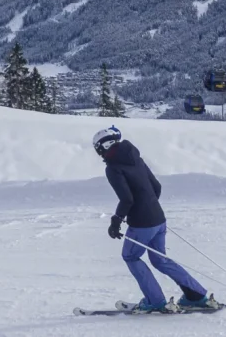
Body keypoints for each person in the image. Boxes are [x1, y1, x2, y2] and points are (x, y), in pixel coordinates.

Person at [93, 126, 218, 313]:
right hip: (159, 219)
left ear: (104, 146)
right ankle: (196, 296)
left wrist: (116, 220)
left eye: (98, 148)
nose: (98, 153)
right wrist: (148, 208)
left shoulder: (113, 168)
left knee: (130, 256)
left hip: (142, 224)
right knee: (160, 260)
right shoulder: (136, 158)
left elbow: (127, 199)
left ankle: (155, 301)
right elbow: (156, 187)